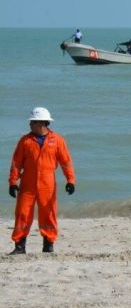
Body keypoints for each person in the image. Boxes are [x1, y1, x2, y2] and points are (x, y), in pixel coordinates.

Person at [8, 107, 76, 254]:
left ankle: (48, 246)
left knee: (48, 214)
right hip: (27, 183)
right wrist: (13, 182)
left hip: (48, 183)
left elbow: (66, 162)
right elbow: (16, 163)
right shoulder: (25, 141)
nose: (30, 124)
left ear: (41, 123)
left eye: (32, 122)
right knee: (22, 214)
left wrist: (70, 180)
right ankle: (20, 247)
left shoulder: (57, 140)